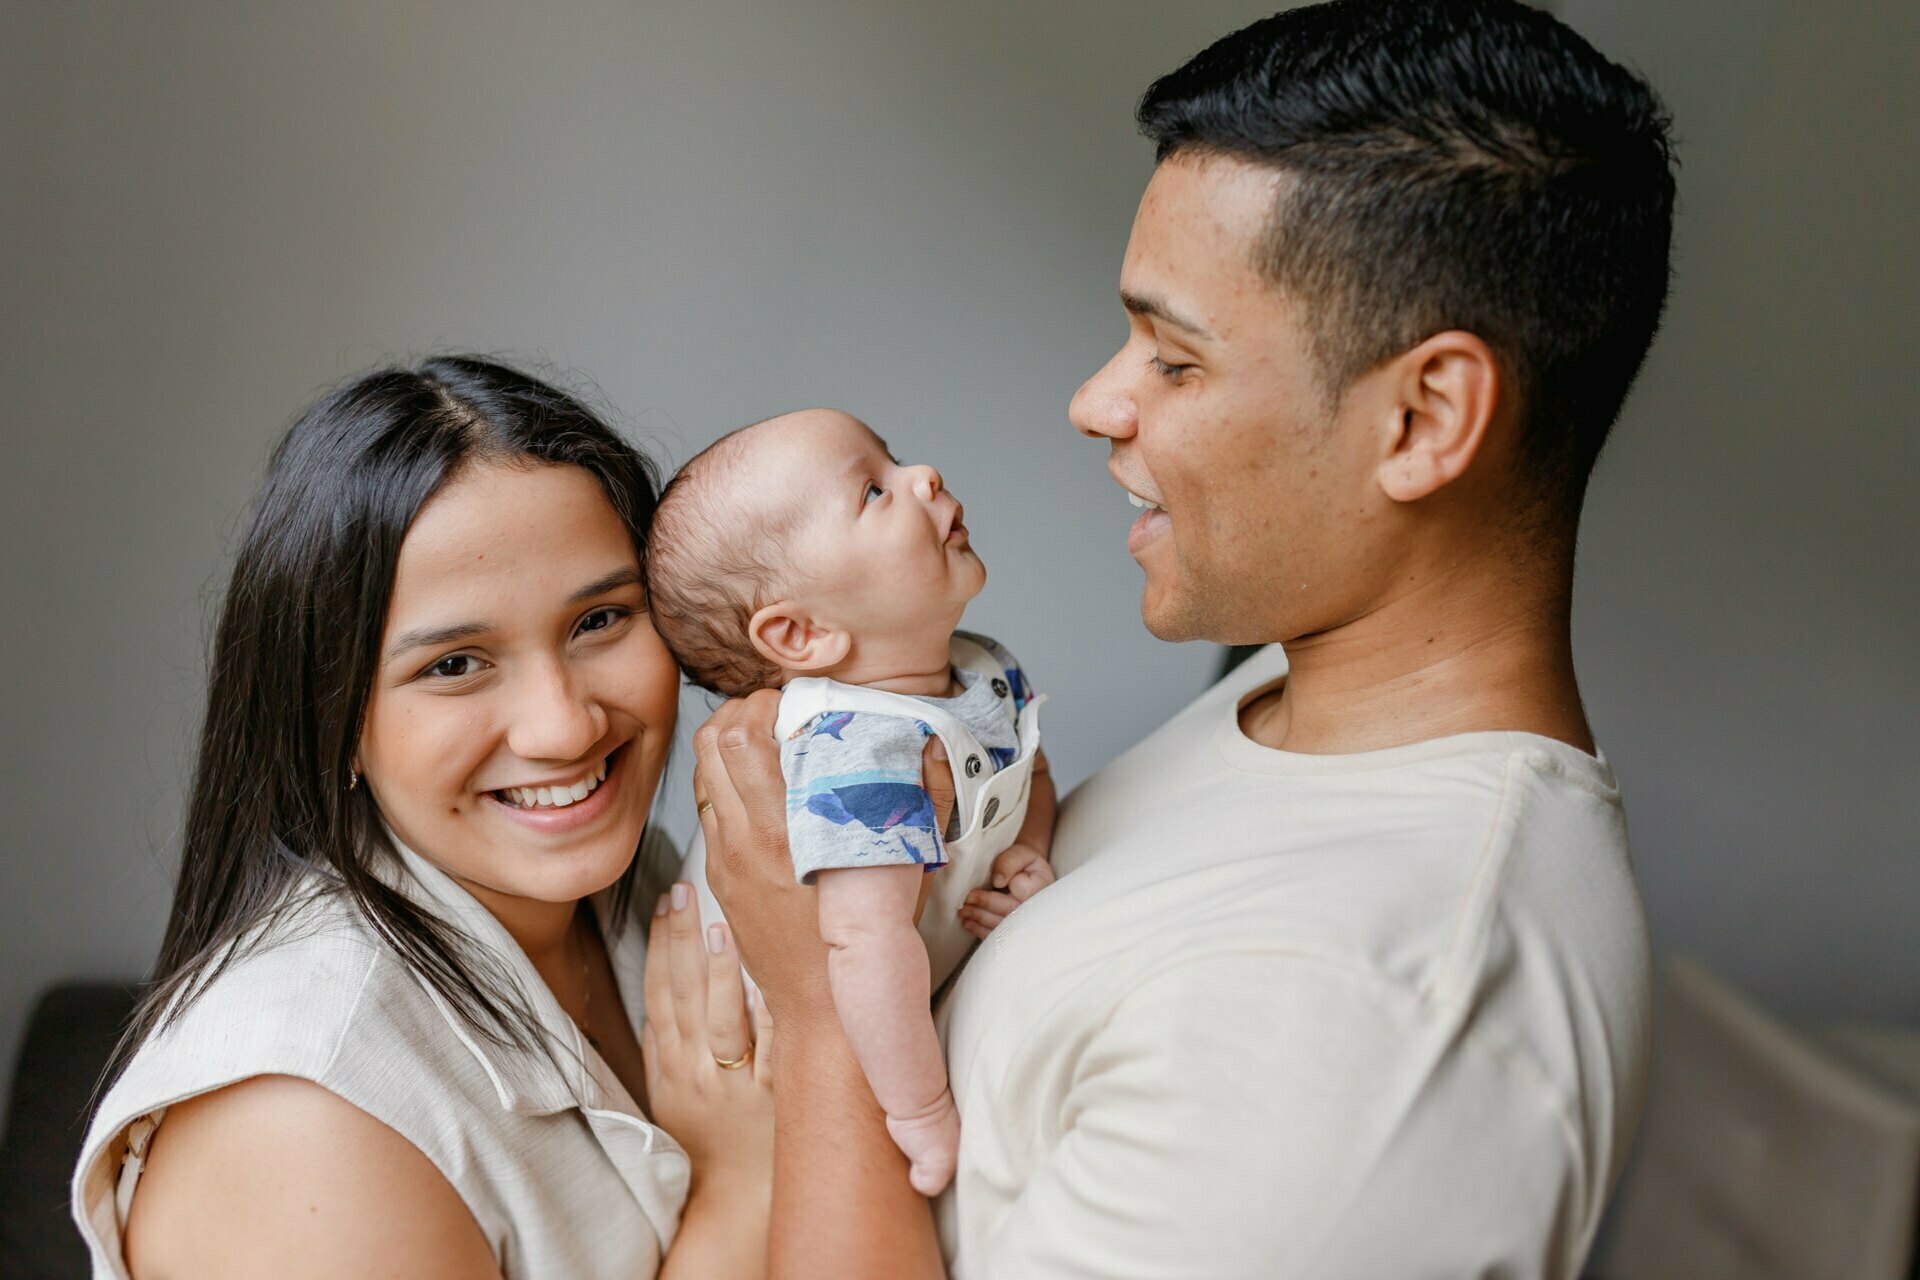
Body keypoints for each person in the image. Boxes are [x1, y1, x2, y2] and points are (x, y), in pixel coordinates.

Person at [694, 1, 1676, 1275]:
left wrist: (824, 1025)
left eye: (1175, 357)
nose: (1097, 402)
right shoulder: (1300, 679)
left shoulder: (1368, 1026)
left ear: (1425, 418)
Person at [72, 358, 774, 1279]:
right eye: (454, 665)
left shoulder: (630, 887)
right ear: (334, 719)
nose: (565, 727)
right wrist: (739, 1182)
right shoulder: (302, 1121)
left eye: (600, 619)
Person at [644, 407, 1056, 1195]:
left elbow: (1027, 773)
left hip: (895, 1000)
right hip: (780, 1064)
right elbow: (864, 950)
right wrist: (923, 1111)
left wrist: (1024, 851)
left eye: (895, 459)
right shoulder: (851, 750)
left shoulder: (976, 669)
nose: (923, 475)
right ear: (800, 637)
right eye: (873, 491)